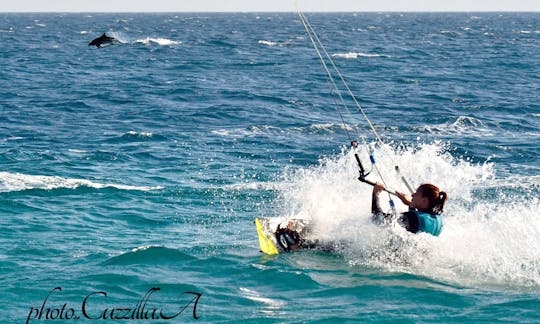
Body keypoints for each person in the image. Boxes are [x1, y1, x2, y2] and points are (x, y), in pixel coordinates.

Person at [372, 183, 447, 236]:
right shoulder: (438, 219)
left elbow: (378, 219)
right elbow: (415, 226)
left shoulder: (412, 218)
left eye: (416, 193)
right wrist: (411, 204)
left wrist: (376, 194)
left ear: (424, 201)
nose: (412, 195)